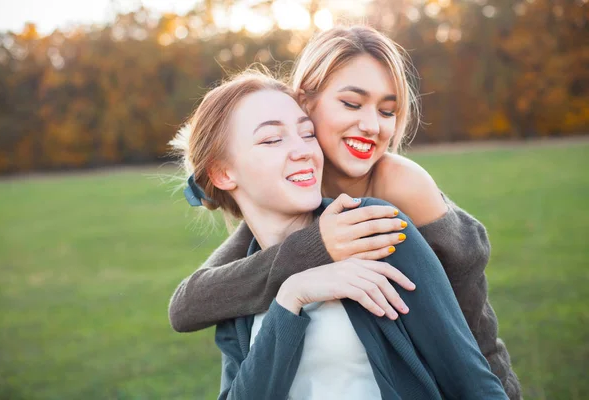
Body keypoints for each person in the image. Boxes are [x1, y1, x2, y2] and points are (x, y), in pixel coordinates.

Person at [169, 26, 521, 398]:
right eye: (352, 103)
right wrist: (304, 272)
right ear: (303, 102)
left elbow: (471, 336)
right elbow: (190, 304)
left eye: (388, 110)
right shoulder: (277, 211)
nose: (371, 125)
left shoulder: (395, 191)